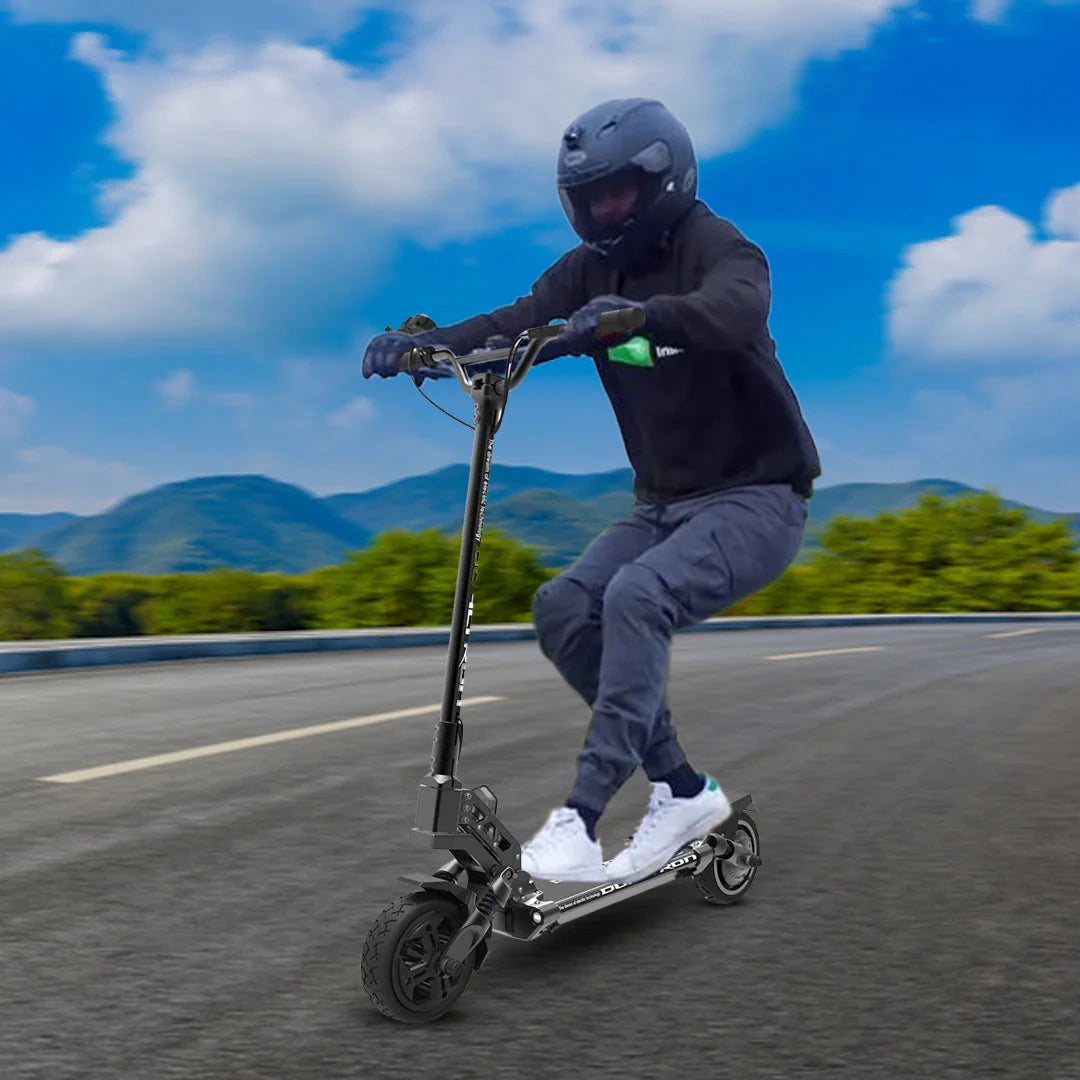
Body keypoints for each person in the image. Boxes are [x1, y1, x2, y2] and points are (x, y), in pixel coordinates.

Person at [361, 98, 821, 885]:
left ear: (665, 180)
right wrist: (425, 345)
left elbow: (735, 307)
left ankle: (579, 818)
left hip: (760, 498)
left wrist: (640, 318)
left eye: (619, 193)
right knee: (565, 608)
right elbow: (518, 320)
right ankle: (682, 791)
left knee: (638, 595)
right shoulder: (586, 271)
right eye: (590, 198)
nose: (605, 211)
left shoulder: (719, 246)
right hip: (663, 508)